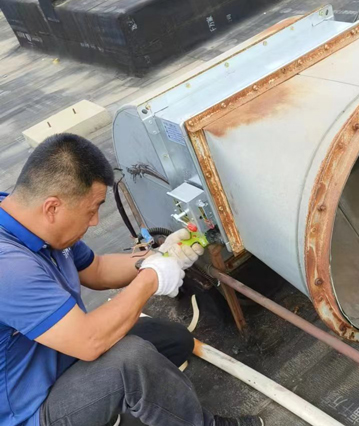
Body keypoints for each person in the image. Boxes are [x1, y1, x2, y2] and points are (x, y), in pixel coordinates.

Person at [0, 133, 264, 426]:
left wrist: (161, 256)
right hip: (33, 410)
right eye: (92, 209)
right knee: (132, 361)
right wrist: (151, 278)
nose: (95, 221)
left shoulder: (29, 220)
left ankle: (120, 405)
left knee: (174, 340)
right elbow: (89, 341)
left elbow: (97, 269)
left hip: (61, 356)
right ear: (52, 208)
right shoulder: (9, 268)